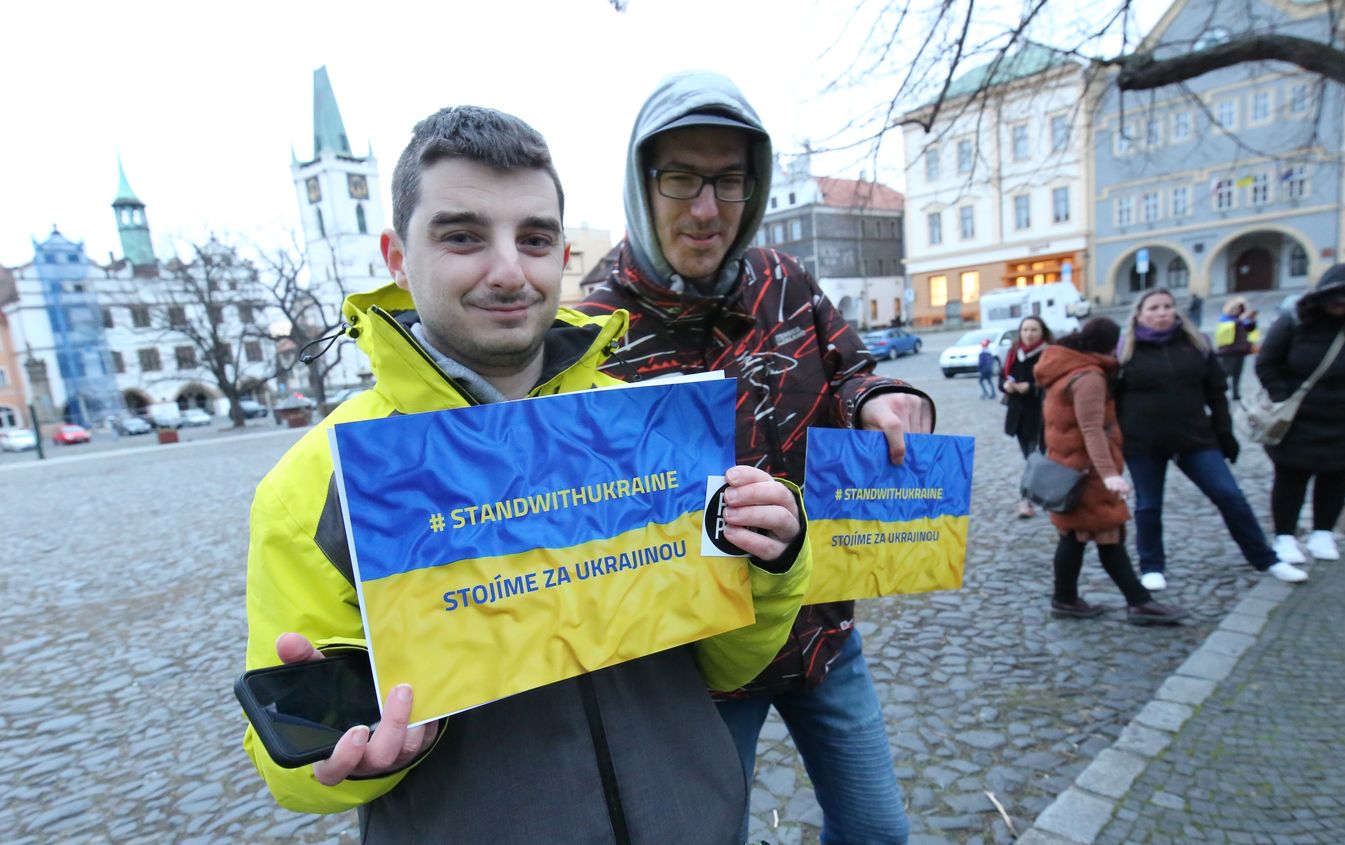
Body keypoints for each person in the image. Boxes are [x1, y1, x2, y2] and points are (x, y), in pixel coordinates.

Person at [241, 106, 812, 845]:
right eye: (462, 235)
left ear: (561, 253)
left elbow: (727, 665)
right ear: (394, 254)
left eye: (534, 238)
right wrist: (349, 752)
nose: (509, 270)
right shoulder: (315, 482)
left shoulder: (649, 428)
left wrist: (771, 564)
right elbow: (291, 773)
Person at [578, 71, 930, 845]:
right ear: (642, 183)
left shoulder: (787, 282)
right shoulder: (590, 327)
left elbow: (850, 364)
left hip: (820, 631)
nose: (706, 209)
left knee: (878, 830)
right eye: (680, 178)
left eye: (728, 180)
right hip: (700, 665)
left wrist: (881, 398)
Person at [1117, 288, 1308, 589]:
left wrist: (1224, 434)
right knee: (1148, 505)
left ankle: (1265, 558)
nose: (1162, 312)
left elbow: (1216, 393)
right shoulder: (1125, 351)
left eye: (1167, 306)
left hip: (1194, 438)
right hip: (1144, 442)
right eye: (1153, 308)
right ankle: (1152, 566)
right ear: (1140, 314)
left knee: (1229, 495)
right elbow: (1113, 400)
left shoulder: (1195, 344)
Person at [1033, 317, 1189, 624]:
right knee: (1107, 536)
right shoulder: (1089, 376)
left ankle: (1065, 599)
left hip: (1071, 468)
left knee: (1075, 536)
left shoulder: (1064, 369)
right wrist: (1109, 474)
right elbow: (1092, 429)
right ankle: (1139, 603)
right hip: (1086, 473)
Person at [1256, 264, 1345, 562]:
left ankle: (1324, 532)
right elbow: (1267, 362)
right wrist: (1283, 398)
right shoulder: (1294, 322)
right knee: (1290, 476)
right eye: (1336, 298)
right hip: (1299, 417)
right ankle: (1285, 536)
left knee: (1336, 475)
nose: (1341, 305)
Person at [1003, 315, 1053, 518]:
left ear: (1042, 332)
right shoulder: (1014, 353)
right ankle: (1043, 493)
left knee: (1034, 458)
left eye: (1034, 330)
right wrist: (1006, 386)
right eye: (1025, 330)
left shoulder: (1048, 353)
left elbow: (1052, 383)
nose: (1029, 334)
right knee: (1030, 458)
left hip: (1041, 415)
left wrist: (1030, 388)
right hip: (1018, 416)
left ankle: (1026, 500)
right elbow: (1003, 377)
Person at [1213, 296, 1259, 401]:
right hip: (1228, 351)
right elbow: (1230, 328)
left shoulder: (1241, 320)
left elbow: (1249, 329)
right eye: (1238, 308)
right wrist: (1241, 320)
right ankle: (1219, 391)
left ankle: (1236, 393)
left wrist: (1252, 320)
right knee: (1226, 373)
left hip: (1241, 351)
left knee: (1237, 374)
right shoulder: (1226, 320)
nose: (1240, 310)